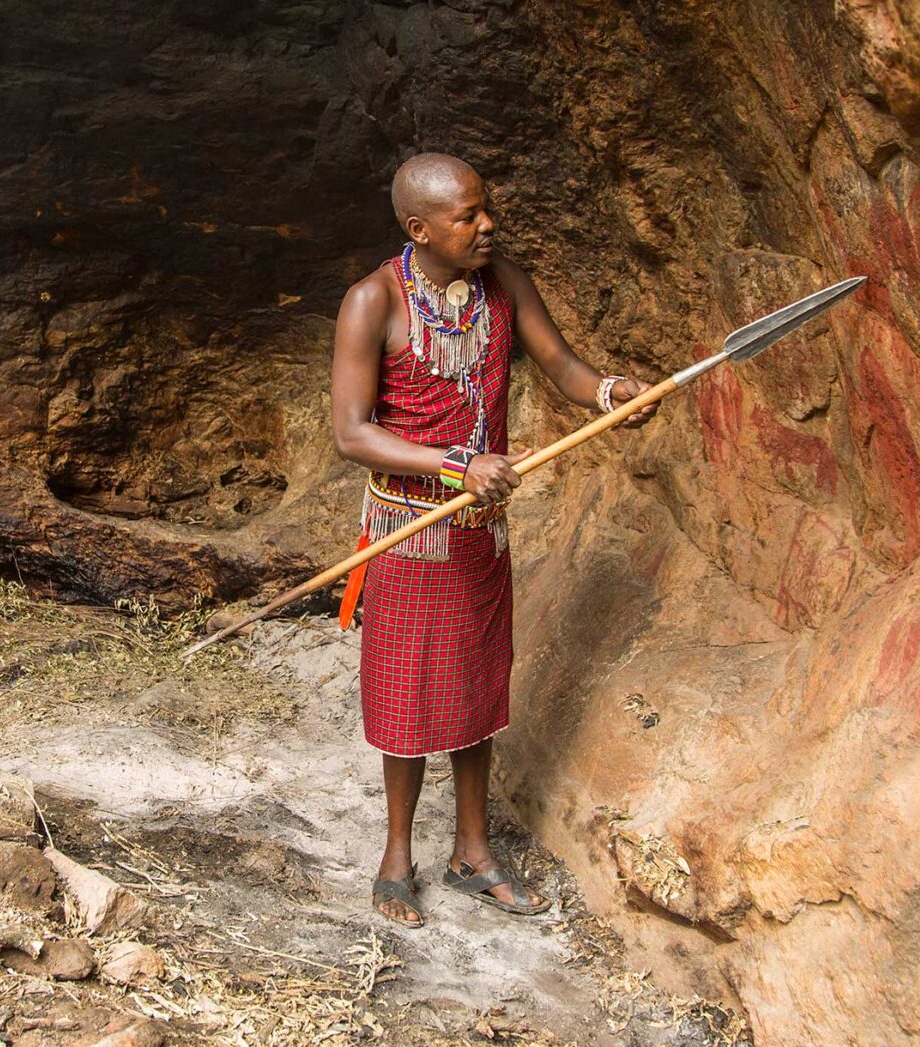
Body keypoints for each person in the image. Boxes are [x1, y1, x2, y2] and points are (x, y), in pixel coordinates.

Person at [330, 152, 658, 926]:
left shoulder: (501, 282)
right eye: (467, 216)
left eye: (485, 210)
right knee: (407, 692)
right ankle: (396, 855)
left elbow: (560, 365)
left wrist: (609, 392)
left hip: (481, 528)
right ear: (419, 228)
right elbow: (351, 433)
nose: (486, 225)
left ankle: (472, 851)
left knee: (477, 687)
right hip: (409, 530)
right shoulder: (372, 301)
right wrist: (454, 463)